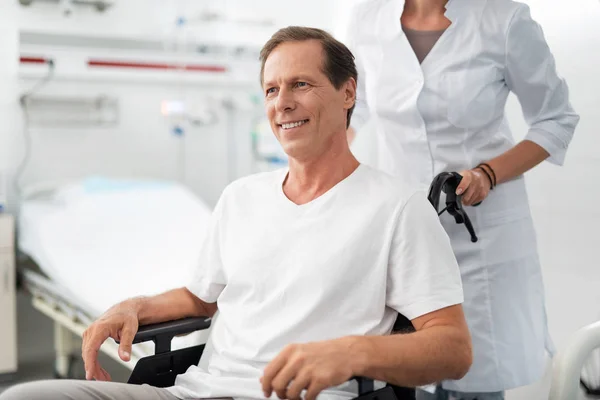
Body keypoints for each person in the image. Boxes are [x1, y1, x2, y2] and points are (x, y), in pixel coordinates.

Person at [0, 27, 472, 400]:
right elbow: (200, 299)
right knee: (25, 395)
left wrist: (353, 352)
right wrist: (135, 307)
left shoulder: (397, 208)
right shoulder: (241, 198)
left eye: (300, 85)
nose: (282, 103)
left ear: (347, 93)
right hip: (196, 392)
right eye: (271, 89)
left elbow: (453, 349)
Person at [343, 0, 580, 399]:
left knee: (474, 380)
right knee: (405, 371)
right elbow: (356, 104)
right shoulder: (368, 18)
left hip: (481, 231)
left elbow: (556, 120)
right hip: (403, 227)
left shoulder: (503, 19)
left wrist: (488, 173)